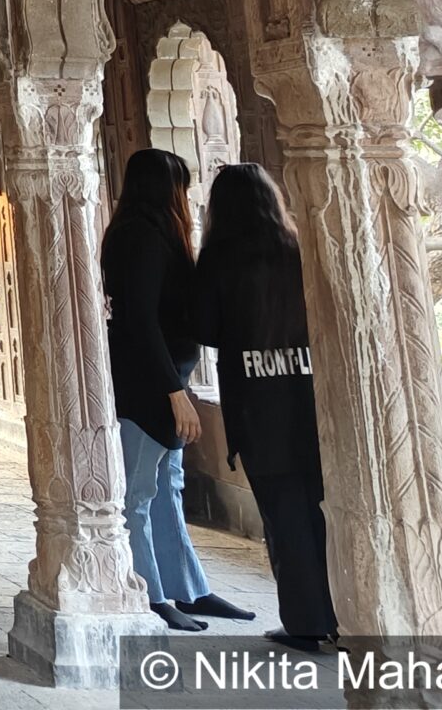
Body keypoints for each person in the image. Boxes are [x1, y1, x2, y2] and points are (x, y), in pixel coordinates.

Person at [102, 147, 253, 631]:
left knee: (168, 487)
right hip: (149, 386)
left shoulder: (151, 235)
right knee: (140, 494)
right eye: (181, 188)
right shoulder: (141, 238)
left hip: (167, 381)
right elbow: (141, 323)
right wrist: (174, 392)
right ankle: (150, 594)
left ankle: (188, 589)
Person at [193, 163, 338, 651]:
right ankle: (344, 612)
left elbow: (206, 330)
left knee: (284, 514)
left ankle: (305, 622)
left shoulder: (220, 259)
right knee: (323, 509)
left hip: (258, 405)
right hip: (313, 399)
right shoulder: (298, 248)